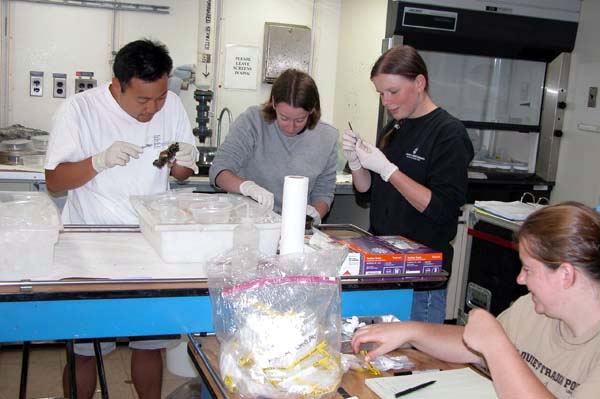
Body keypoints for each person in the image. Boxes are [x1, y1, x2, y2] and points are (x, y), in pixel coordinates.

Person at [44, 39, 198, 399]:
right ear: (116, 85)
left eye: (159, 98)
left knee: (149, 343)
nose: (152, 109)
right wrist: (97, 162)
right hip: (90, 245)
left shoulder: (171, 106)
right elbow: (54, 181)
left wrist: (184, 162)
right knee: (86, 347)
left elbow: (179, 174)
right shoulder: (79, 110)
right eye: (142, 100)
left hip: (149, 244)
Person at [351, 202, 600, 399]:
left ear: (565, 275)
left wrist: (496, 345)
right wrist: (411, 331)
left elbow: (492, 347)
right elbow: (472, 346)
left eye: (528, 269)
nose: (520, 279)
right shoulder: (534, 309)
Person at [342, 45, 474, 323]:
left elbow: (442, 208)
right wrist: (356, 163)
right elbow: (366, 193)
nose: (386, 102)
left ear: (419, 83)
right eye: (380, 93)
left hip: (420, 276)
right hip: (382, 265)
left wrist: (389, 170)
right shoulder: (393, 127)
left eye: (393, 91)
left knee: (415, 359)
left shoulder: (449, 133)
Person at [209, 69, 338, 225]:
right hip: (248, 222)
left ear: (312, 110)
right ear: (274, 103)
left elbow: (323, 192)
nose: (290, 127)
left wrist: (315, 213)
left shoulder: (327, 137)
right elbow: (219, 171)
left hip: (294, 226)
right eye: (284, 118)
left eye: (299, 120)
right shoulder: (253, 122)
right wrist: (247, 187)